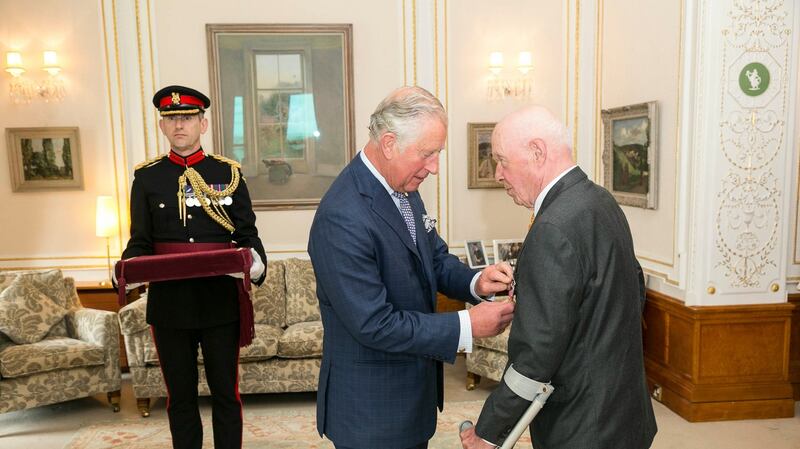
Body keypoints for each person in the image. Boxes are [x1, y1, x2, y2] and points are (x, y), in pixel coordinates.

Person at [308, 86, 516, 449]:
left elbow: (433, 258)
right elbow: (375, 323)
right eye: (427, 153)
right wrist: (466, 324)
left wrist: (476, 281)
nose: (434, 167)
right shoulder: (342, 216)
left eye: (437, 153)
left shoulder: (402, 186)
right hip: (371, 412)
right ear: (389, 143)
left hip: (410, 400)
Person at [460, 106, 656, 449]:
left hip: (584, 425)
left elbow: (535, 355)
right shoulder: (600, 200)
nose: (497, 173)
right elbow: (630, 294)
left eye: (502, 160)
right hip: (623, 411)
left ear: (537, 152)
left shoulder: (552, 227)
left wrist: (490, 430)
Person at [120, 85, 267, 449]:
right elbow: (140, 239)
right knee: (180, 398)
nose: (179, 125)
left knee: (225, 394)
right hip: (170, 305)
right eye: (171, 119)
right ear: (161, 127)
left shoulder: (227, 172)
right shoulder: (147, 178)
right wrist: (126, 265)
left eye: (186, 118)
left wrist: (254, 264)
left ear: (203, 123)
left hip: (219, 301)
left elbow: (248, 234)